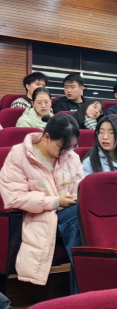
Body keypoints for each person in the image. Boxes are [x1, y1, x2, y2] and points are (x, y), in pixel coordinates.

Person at [0, 114, 83, 292]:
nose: (67, 152)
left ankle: (89, 289)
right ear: (46, 137)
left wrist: (75, 198)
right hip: (36, 217)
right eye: (62, 147)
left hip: (70, 213)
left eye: (71, 147)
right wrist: (54, 202)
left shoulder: (71, 156)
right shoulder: (19, 155)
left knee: (88, 220)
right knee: (79, 220)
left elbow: (79, 187)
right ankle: (86, 292)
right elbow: (14, 197)